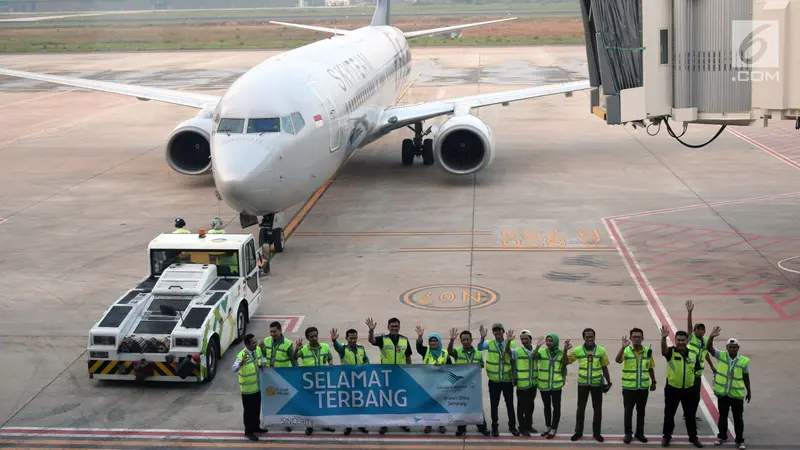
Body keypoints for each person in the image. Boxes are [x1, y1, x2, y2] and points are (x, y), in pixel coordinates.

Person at [707, 327, 751, 449]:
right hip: (723, 394)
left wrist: (749, 391)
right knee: (723, 417)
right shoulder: (722, 356)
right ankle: (722, 436)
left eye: (734, 347)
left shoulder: (743, 361)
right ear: (727, 348)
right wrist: (711, 337)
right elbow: (709, 349)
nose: (732, 349)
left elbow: (746, 377)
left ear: (738, 348)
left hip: (736, 395)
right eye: (730, 347)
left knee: (738, 419)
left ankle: (739, 440)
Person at [366, 317, 412, 434]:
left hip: (400, 375)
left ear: (399, 327)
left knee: (401, 400)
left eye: (396, 326)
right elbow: (371, 341)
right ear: (388, 327)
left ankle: (403, 422)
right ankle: (384, 423)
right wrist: (371, 330)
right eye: (392, 326)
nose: (394, 328)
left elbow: (408, 357)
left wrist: (410, 372)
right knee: (386, 400)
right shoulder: (383, 339)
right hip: (386, 376)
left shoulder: (404, 340)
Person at [565, 328, 612, 442]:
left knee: (597, 410)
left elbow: (604, 367)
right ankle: (578, 432)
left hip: (596, 385)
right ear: (583, 338)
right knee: (580, 409)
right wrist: (564, 350)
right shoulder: (578, 350)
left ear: (594, 337)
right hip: (583, 384)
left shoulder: (601, 350)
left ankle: (597, 433)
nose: (589, 339)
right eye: (587, 337)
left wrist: (608, 382)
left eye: (591, 336)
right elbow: (566, 362)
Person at [660, 326, 703, 448]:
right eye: (678, 340)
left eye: (683, 340)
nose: (680, 342)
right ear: (675, 340)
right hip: (672, 389)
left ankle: (693, 438)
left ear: (687, 341)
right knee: (669, 415)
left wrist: (693, 385)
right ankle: (666, 437)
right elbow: (663, 351)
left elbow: (697, 369)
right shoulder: (671, 352)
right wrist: (663, 339)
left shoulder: (693, 354)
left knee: (690, 416)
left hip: (689, 389)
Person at [446, 328, 490, 437]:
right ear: (460, 341)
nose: (465, 341)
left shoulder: (478, 353)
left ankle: (482, 427)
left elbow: (481, 366)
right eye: (463, 340)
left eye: (467, 339)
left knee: (477, 406)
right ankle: (461, 428)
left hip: (474, 385)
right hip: (461, 385)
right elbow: (450, 351)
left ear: (471, 340)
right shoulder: (458, 352)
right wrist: (451, 340)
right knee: (462, 406)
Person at [615, 327, 657, 444]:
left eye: (639, 337)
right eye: (634, 337)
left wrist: (653, 381)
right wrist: (622, 348)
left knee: (641, 411)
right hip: (629, 388)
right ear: (630, 338)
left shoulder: (648, 351)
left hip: (643, 388)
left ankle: (639, 433)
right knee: (628, 412)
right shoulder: (626, 350)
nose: (637, 339)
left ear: (643, 338)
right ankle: (628, 433)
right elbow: (618, 360)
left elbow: (650, 367)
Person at [477, 323, 519, 437]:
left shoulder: (512, 343)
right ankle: (494, 427)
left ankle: (512, 426)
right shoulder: (490, 344)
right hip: (494, 380)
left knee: (509, 404)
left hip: (507, 380)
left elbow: (513, 359)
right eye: (495, 330)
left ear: (503, 331)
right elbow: (479, 347)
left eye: (499, 330)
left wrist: (515, 377)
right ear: (493, 332)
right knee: (494, 405)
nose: (497, 332)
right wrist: (482, 337)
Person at [293, 326, 335, 436]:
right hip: (309, 383)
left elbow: (329, 357)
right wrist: (297, 349)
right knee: (310, 405)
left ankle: (324, 424)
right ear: (307, 338)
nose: (314, 338)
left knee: (323, 405)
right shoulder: (304, 349)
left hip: (321, 381)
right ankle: (309, 426)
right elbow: (294, 358)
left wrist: (330, 363)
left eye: (316, 335)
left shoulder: (325, 347)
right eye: (311, 337)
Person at [330, 328, 369, 435]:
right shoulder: (343, 349)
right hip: (347, 382)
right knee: (348, 405)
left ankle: (361, 424)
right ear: (347, 338)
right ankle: (348, 426)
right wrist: (334, 341)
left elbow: (366, 360)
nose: (353, 340)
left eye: (355, 338)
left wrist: (363, 366)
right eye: (351, 338)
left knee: (360, 404)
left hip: (360, 381)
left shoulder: (361, 348)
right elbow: (338, 348)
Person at [260, 321, 296, 432]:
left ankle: (287, 422)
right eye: (270, 331)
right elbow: (263, 355)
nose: (272, 334)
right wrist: (263, 361)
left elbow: (293, 359)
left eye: (274, 331)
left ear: (280, 330)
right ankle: (267, 420)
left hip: (283, 376)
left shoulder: (288, 343)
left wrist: (297, 372)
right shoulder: (266, 341)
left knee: (285, 400)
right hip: (269, 376)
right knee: (269, 399)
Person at [231, 333, 267, 441]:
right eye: (253, 343)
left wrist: (263, 363)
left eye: (256, 341)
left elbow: (262, 358)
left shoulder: (257, 350)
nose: (256, 344)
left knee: (256, 410)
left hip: (257, 387)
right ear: (247, 344)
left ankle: (256, 427)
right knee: (248, 412)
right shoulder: (241, 355)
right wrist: (241, 363)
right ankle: (248, 431)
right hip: (247, 390)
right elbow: (234, 368)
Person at [503, 329, 539, 437]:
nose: (524, 341)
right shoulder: (517, 351)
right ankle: (522, 428)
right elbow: (508, 351)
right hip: (522, 385)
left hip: (533, 384)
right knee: (521, 408)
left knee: (530, 407)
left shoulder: (535, 351)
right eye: (522, 339)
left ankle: (529, 425)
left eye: (526, 339)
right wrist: (508, 342)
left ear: (530, 339)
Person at [415, 325, 449, 434]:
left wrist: (441, 367)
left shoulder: (445, 353)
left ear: (439, 342)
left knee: (440, 404)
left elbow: (451, 368)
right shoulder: (426, 351)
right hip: (428, 383)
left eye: (435, 341)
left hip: (441, 383)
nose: (433, 343)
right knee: (428, 405)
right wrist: (420, 337)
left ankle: (441, 424)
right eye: (431, 341)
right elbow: (419, 347)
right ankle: (428, 424)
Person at [685, 301, 715, 422]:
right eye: (698, 329)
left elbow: (706, 353)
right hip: (689, 372)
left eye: (703, 329)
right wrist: (690, 312)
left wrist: (712, 367)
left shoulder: (705, 340)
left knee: (696, 397)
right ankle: (689, 415)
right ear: (695, 330)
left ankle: (691, 414)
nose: (700, 331)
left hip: (698, 373)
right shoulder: (691, 337)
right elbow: (689, 327)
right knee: (689, 396)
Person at [532, 333, 566, 439]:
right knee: (546, 407)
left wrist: (564, 377)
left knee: (556, 407)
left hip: (556, 385)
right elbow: (533, 357)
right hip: (544, 385)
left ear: (555, 342)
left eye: (551, 341)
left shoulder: (560, 353)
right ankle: (548, 426)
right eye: (547, 341)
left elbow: (564, 366)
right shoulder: (542, 352)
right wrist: (537, 347)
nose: (548, 343)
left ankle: (554, 428)